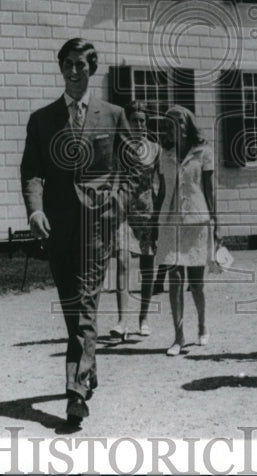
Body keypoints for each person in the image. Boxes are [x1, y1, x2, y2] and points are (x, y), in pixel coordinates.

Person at [20, 37, 135, 427]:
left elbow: (133, 171)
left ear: (93, 68)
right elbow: (32, 172)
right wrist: (35, 211)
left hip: (97, 227)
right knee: (75, 308)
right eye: (67, 64)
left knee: (85, 304)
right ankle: (88, 367)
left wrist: (118, 203)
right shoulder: (42, 119)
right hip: (57, 228)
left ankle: (77, 393)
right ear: (61, 68)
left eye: (80, 65)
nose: (73, 72)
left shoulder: (114, 115)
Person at [155, 105, 219, 356]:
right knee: (174, 278)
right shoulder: (164, 154)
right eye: (168, 123)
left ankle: (202, 325)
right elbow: (161, 191)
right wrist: (153, 222)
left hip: (196, 220)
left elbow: (210, 190)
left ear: (187, 125)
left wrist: (217, 224)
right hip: (171, 221)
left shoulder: (203, 152)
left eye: (178, 122)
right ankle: (178, 336)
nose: (173, 127)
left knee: (196, 282)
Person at [109, 100, 162, 340]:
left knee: (147, 266)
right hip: (123, 210)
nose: (139, 125)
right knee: (121, 260)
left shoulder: (155, 149)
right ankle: (122, 321)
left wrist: (161, 214)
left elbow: (160, 183)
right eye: (134, 120)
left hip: (147, 210)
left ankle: (144, 318)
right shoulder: (119, 147)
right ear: (127, 123)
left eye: (143, 120)